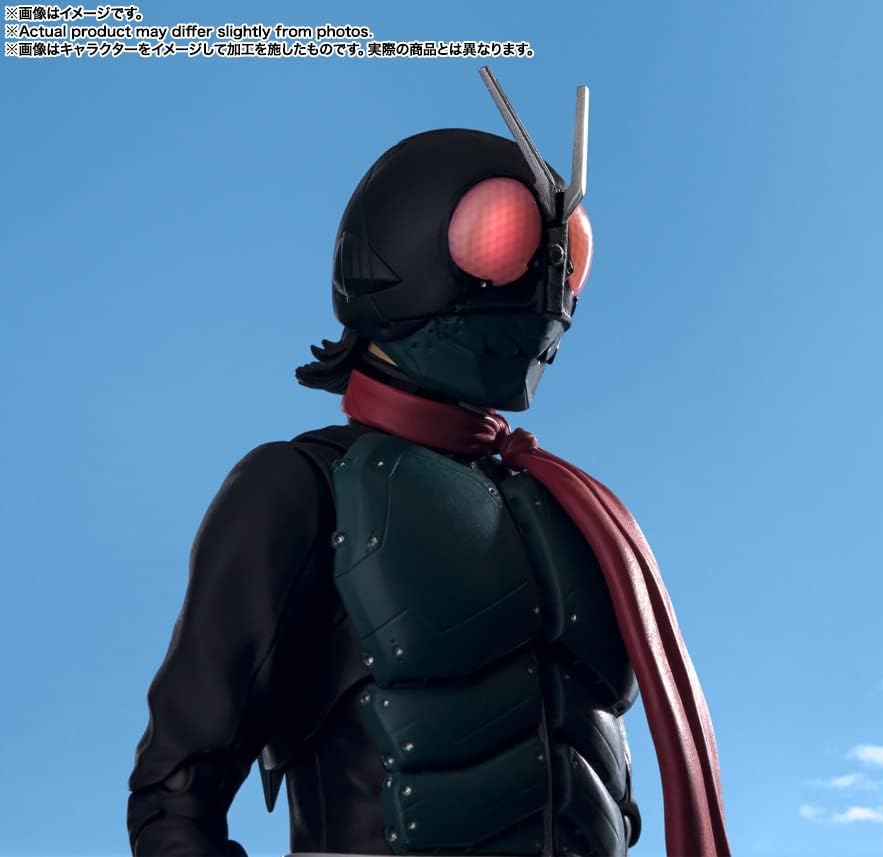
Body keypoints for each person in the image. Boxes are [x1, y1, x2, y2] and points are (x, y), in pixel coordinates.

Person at [127, 68, 729, 857]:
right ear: (400, 246)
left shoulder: (567, 511)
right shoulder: (304, 490)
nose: (549, 293)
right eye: (507, 241)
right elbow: (176, 796)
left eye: (566, 260)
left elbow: (597, 769)